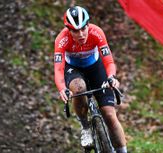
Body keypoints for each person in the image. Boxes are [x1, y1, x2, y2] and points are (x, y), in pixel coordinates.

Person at [54, 6, 127, 153]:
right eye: (75, 30)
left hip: (95, 67)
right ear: (68, 30)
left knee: (110, 115)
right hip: (73, 69)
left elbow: (108, 62)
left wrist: (111, 77)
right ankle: (85, 127)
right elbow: (58, 69)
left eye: (83, 28)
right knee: (79, 88)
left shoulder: (97, 32)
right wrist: (62, 89)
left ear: (88, 25)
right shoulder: (61, 40)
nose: (81, 34)